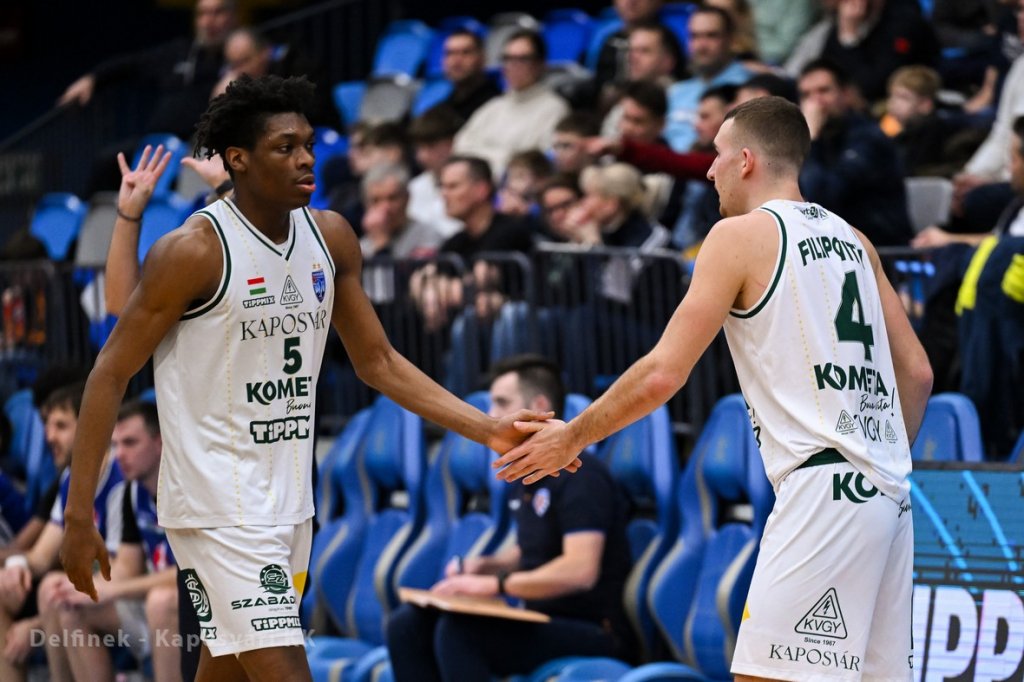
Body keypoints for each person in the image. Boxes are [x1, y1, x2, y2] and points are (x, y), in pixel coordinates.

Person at [59, 74, 556, 682]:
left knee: (228, 672)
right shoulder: (193, 252)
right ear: (238, 159)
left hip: (290, 501)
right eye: (285, 147)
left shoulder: (331, 237)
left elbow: (379, 363)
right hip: (217, 506)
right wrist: (78, 515)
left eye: (309, 145)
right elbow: (108, 375)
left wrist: (488, 429)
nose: (306, 159)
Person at [495, 96, 933, 680]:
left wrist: (571, 436)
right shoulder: (856, 240)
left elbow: (662, 372)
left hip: (823, 488)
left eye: (716, 154)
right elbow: (918, 373)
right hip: (889, 495)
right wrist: (877, 460)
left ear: (746, 160)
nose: (707, 170)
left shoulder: (737, 236)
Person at [386, 354, 633, 681]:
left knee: (460, 633)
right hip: (537, 619)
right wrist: (483, 566)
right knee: (407, 625)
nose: (491, 415)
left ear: (539, 407)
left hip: (594, 630)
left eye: (502, 403)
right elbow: (530, 551)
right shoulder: (529, 475)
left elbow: (580, 570)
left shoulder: (582, 475)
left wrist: (493, 585)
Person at [41, 400, 179, 682]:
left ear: (160, 442)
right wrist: (87, 588)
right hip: (152, 603)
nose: (120, 454)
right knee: (71, 605)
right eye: (115, 445)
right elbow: (127, 567)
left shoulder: (186, 493)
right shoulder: (131, 493)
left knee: (160, 602)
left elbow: (192, 573)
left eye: (130, 443)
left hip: (194, 606)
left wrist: (115, 590)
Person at [798, 58, 914, 246]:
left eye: (824, 91)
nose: (816, 103)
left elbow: (821, 199)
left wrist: (810, 137)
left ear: (846, 94)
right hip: (837, 247)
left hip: (880, 251)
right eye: (806, 95)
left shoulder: (868, 138)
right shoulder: (822, 140)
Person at [453, 30, 569, 177]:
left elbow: (534, 164)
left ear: (540, 64)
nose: (513, 66)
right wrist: (503, 157)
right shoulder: (494, 106)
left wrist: (483, 158)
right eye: (507, 59)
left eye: (522, 59)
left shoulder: (555, 109)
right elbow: (460, 147)